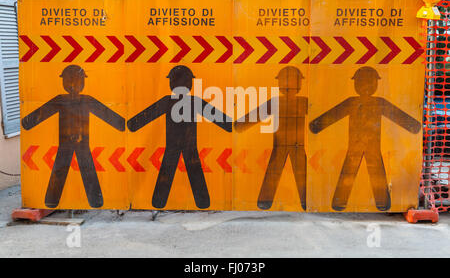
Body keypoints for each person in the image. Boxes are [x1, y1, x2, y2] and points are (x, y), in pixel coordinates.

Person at [309, 66, 421, 211]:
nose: (366, 86)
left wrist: (316, 125)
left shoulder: (363, 102)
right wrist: (414, 126)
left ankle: (340, 203)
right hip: (363, 145)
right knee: (371, 172)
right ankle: (379, 204)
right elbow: (401, 117)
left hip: (364, 145)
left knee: (359, 172)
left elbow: (332, 115)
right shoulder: (367, 102)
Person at [127, 65, 232, 209]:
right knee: (194, 171)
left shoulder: (167, 101)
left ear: (171, 83)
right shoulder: (194, 101)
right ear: (190, 84)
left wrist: (131, 124)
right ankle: (203, 203)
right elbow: (222, 121)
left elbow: (138, 121)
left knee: (167, 170)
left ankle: (159, 202)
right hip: (190, 145)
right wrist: (233, 125)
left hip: (172, 145)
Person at [21, 65, 125, 208]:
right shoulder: (69, 100)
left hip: (75, 144)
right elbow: (110, 116)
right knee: (80, 169)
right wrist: (123, 124)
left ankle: (54, 201)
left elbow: (31, 120)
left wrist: (27, 122)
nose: (74, 84)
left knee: (73, 169)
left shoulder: (70, 100)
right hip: (71, 144)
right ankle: (91, 201)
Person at [235, 66, 308, 210]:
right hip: (293, 146)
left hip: (285, 146)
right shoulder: (299, 102)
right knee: (299, 174)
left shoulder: (278, 102)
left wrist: (239, 125)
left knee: (276, 173)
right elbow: (319, 119)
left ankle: (265, 202)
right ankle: (306, 203)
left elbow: (256, 114)